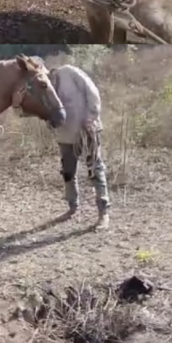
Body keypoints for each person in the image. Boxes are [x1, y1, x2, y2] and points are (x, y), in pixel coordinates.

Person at [48, 62, 111, 230]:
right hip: (65, 134)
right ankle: (72, 206)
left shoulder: (69, 73)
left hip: (87, 130)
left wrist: (92, 115)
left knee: (95, 169)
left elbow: (93, 92)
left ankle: (103, 212)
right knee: (68, 172)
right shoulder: (43, 89)